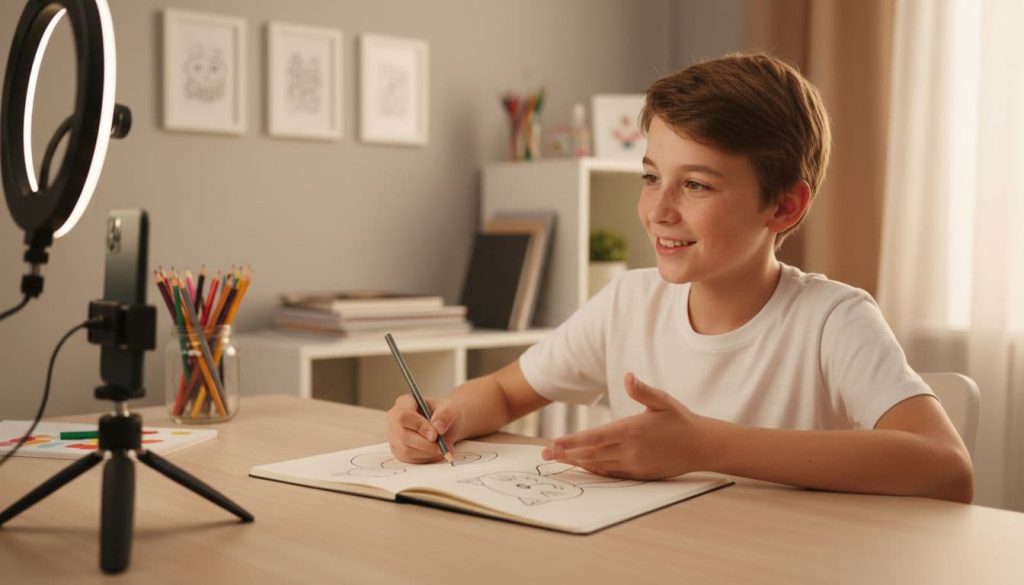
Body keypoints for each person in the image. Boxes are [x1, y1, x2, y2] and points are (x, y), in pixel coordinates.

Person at [386, 53, 974, 503]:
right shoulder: (628, 303)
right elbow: (508, 392)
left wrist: (705, 445)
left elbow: (946, 469)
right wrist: (447, 417)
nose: (658, 210)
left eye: (696, 185)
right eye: (650, 177)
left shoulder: (832, 319)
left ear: (785, 207)